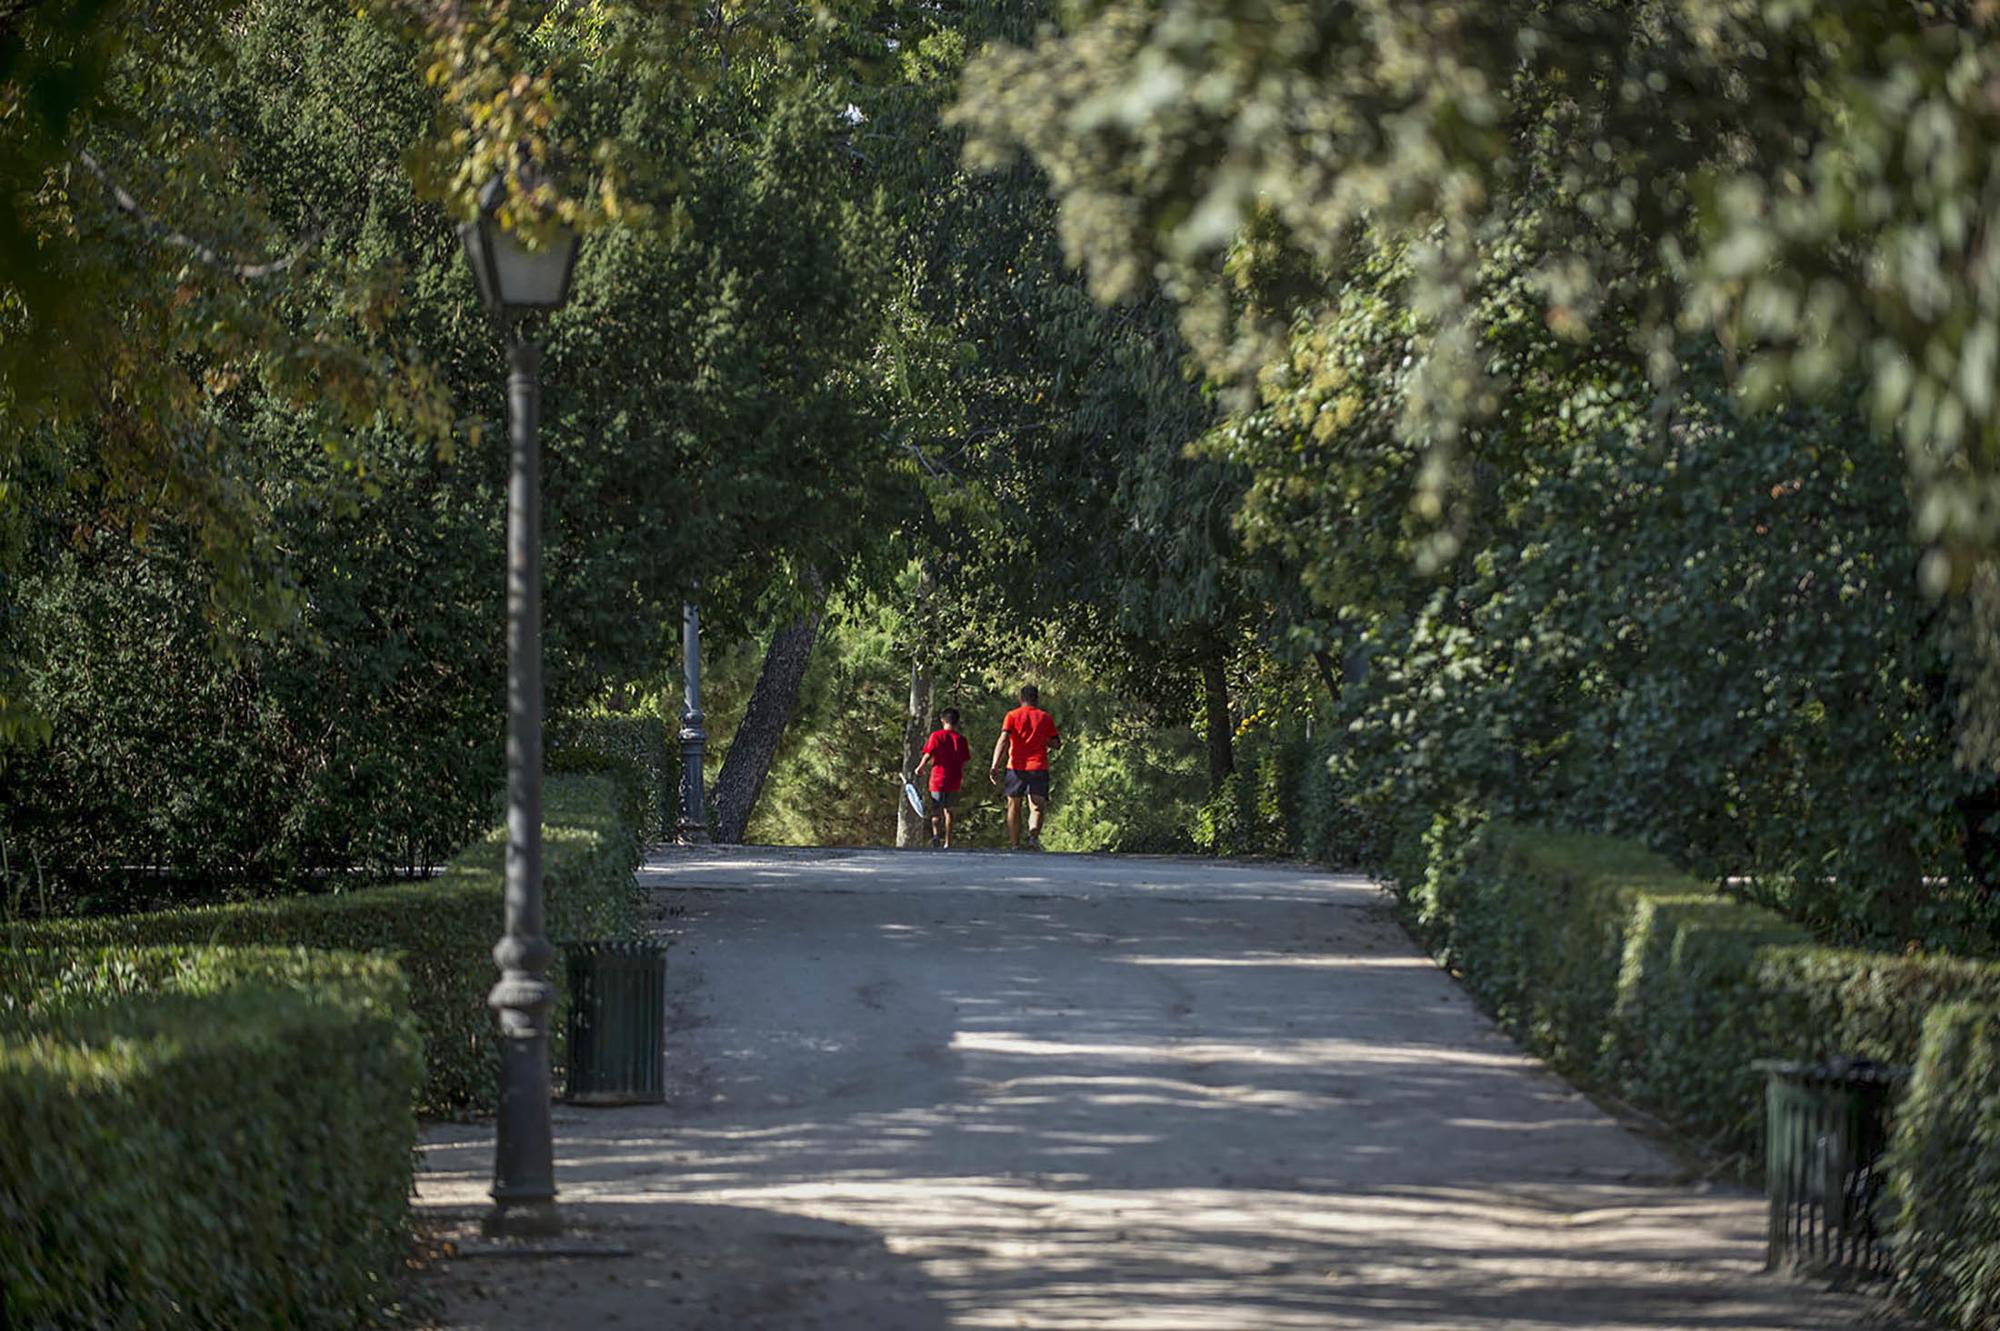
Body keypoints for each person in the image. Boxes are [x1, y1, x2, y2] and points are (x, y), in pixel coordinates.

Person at [990, 684, 1060, 850]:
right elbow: (1056, 743)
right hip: (1038, 767)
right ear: (1037, 699)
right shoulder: (1045, 718)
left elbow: (1003, 740)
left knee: (1014, 805)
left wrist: (995, 765)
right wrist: (1042, 739)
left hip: (1015, 767)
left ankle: (1015, 845)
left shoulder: (1012, 716)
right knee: (1037, 806)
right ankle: (1033, 838)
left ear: (1020, 699)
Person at [910, 708, 971, 848]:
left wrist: (920, 766)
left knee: (936, 810)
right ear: (957, 722)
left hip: (937, 779)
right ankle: (948, 842)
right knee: (949, 811)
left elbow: (928, 753)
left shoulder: (936, 736)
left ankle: (936, 836)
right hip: (954, 779)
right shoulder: (961, 740)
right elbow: (964, 760)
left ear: (943, 721)